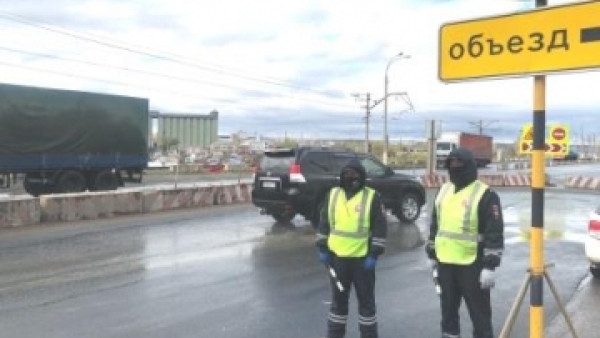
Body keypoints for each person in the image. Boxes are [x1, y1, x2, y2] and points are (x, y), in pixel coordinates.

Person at [426, 147, 505, 338]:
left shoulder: (485, 194)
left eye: (459, 165)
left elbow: (494, 232)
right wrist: (431, 252)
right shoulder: (444, 191)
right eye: (451, 165)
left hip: (473, 266)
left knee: (480, 318)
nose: (455, 169)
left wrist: (490, 266)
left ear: (469, 166)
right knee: (448, 316)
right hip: (445, 264)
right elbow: (436, 225)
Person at [315, 159, 387, 338]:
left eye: (355, 175)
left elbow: (380, 227)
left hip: (363, 261)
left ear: (362, 176)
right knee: (338, 304)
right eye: (347, 174)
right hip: (337, 259)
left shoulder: (371, 197)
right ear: (342, 176)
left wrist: (374, 254)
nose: (351, 178)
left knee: (366, 304)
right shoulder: (333, 195)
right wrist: (322, 248)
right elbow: (324, 223)